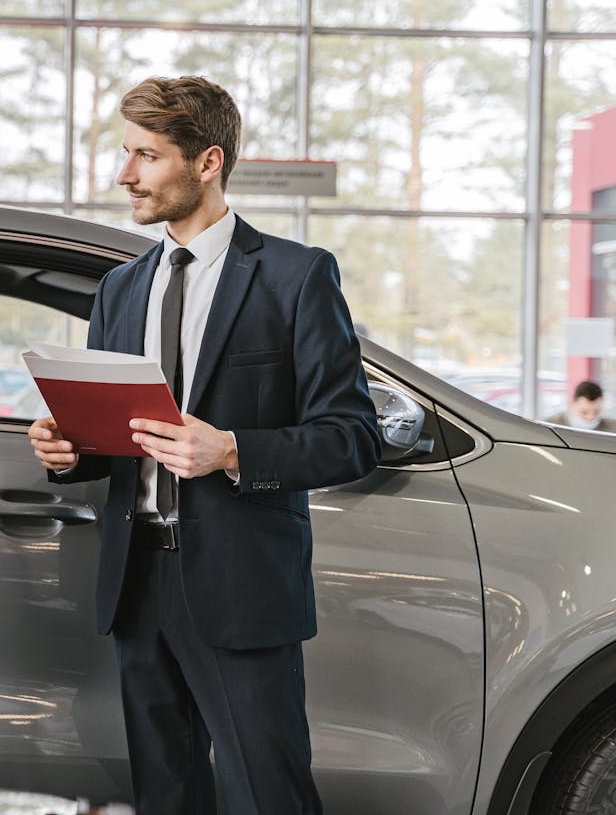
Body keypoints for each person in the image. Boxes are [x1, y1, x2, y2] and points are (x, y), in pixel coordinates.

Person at [29, 76, 380, 813]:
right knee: (164, 795)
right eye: (127, 153)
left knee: (268, 794)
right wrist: (72, 450)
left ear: (208, 161)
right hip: (138, 583)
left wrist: (232, 451)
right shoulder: (120, 289)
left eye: (146, 156)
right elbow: (114, 441)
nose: (125, 174)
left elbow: (351, 438)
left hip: (240, 584)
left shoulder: (295, 276)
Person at [545, 379, 616, 433]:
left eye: (596, 412)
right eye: (584, 412)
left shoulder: (614, 428)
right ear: (571, 404)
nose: (590, 417)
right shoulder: (549, 426)